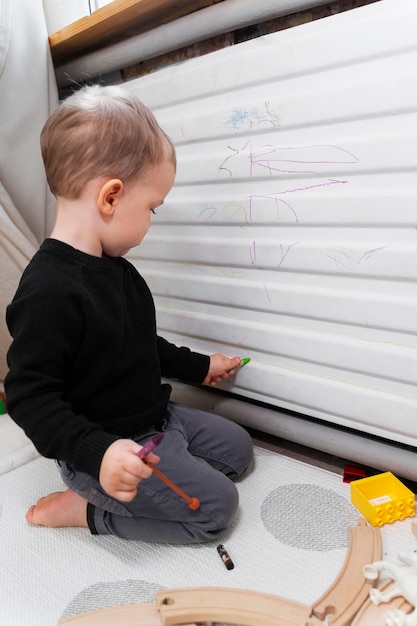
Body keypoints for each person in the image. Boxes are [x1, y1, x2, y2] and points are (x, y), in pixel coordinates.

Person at [5, 85, 253, 543]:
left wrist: (201, 366)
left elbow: (141, 345)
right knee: (216, 509)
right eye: (152, 208)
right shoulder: (48, 290)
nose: (152, 221)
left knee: (239, 451)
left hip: (156, 420)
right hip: (108, 447)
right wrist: (97, 453)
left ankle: (150, 476)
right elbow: (27, 396)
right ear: (111, 197)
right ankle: (87, 508)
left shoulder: (119, 271)